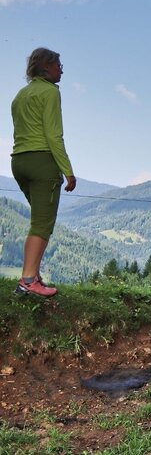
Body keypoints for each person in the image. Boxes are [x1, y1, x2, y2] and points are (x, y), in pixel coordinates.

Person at [10, 47, 77, 297]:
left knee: (37, 220)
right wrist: (67, 170)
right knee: (42, 223)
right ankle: (28, 280)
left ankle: (32, 274)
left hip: (18, 162)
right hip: (42, 163)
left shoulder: (21, 95)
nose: (61, 69)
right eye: (58, 64)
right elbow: (53, 136)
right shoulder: (50, 93)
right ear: (45, 67)